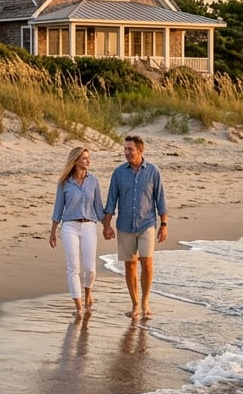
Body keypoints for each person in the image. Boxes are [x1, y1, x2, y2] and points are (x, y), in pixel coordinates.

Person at [102, 134, 168, 320]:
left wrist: (164, 224)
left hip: (147, 224)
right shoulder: (119, 173)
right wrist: (106, 225)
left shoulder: (153, 172)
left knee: (146, 261)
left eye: (130, 149)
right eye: (125, 149)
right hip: (124, 225)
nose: (126, 152)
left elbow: (160, 200)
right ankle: (135, 304)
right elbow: (111, 201)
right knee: (130, 266)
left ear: (140, 150)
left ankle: (145, 302)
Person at [49, 146, 104, 319]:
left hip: (89, 226)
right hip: (70, 226)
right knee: (73, 268)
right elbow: (58, 207)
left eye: (89, 157)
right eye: (85, 158)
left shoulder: (93, 181)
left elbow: (98, 208)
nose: (88, 161)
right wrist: (53, 231)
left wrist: (108, 226)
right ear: (76, 161)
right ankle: (79, 306)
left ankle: (88, 292)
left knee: (90, 269)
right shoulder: (64, 183)